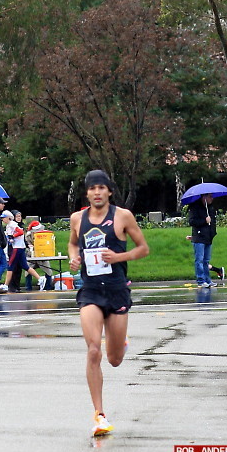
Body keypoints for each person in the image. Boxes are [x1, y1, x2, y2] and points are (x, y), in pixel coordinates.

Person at [68, 170, 149, 437]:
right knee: (93, 350)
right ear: (87, 193)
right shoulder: (77, 219)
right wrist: (74, 259)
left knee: (113, 359)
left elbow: (143, 249)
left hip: (116, 290)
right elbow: (71, 245)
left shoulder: (122, 216)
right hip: (90, 291)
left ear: (109, 192)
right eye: (93, 189)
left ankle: (121, 342)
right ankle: (99, 415)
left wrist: (119, 257)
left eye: (102, 188)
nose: (97, 193)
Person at [3, 211, 45, 292]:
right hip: (20, 247)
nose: (2, 220)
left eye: (3, 218)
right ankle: (40, 278)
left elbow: (20, 232)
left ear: (8, 218)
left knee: (10, 265)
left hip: (17, 248)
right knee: (25, 266)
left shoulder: (12, 224)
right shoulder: (10, 225)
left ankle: (6, 285)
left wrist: (13, 236)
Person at [188, 194, 220, 288]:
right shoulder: (195, 208)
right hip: (199, 237)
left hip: (208, 237)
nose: (212, 198)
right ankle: (201, 280)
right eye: (210, 196)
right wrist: (204, 221)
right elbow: (192, 221)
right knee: (199, 260)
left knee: (206, 260)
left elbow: (212, 222)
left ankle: (208, 280)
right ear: (204, 197)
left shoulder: (210, 208)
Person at [25, 220, 54, 291]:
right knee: (28, 270)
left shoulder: (45, 235)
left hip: (42, 256)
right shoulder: (28, 236)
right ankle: (28, 288)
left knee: (48, 270)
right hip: (31, 255)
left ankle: (48, 287)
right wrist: (30, 247)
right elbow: (27, 245)